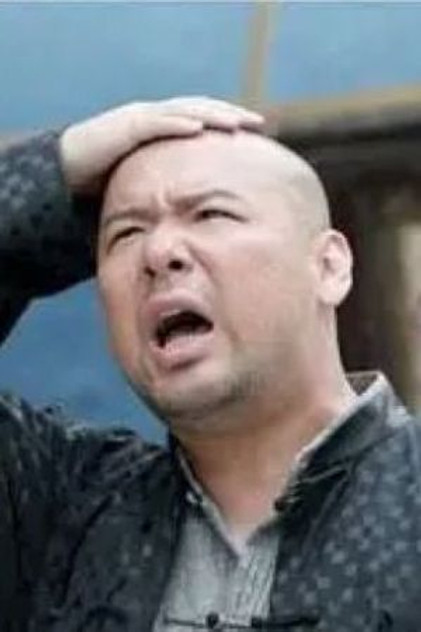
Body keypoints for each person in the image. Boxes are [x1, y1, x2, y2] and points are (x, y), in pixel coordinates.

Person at [0, 99, 420, 632]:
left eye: (210, 214)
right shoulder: (64, 514)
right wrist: (58, 167)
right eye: (125, 234)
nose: (159, 251)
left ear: (329, 266)